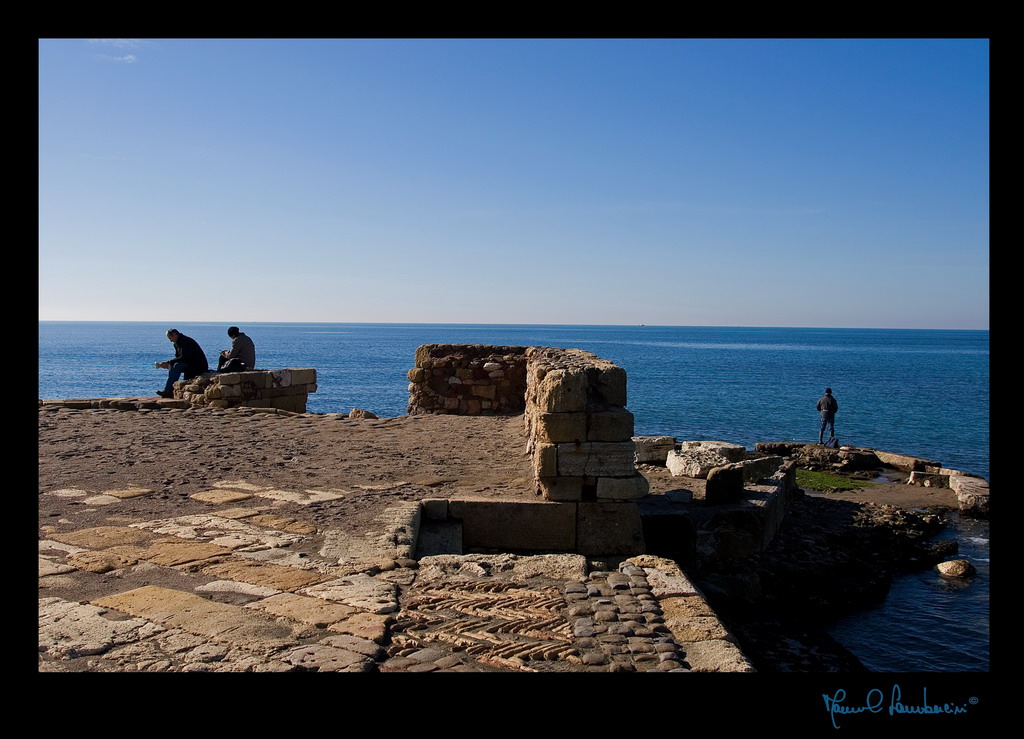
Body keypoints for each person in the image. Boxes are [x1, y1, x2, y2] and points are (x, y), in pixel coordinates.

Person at [155, 329, 209, 398]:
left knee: (177, 366)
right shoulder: (176, 344)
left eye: (170, 338)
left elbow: (185, 357)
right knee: (173, 365)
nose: (170, 340)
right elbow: (178, 358)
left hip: (198, 365)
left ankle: (169, 390)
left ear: (174, 335)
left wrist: (169, 362)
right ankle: (168, 390)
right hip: (189, 364)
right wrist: (169, 364)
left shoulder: (185, 341)